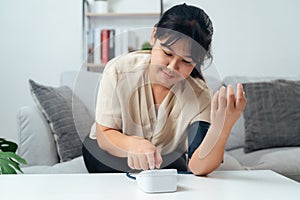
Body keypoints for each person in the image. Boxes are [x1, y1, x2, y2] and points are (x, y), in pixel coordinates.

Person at [82, 3, 247, 175]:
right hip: (108, 154)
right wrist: (134, 145)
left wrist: (223, 126)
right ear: (154, 35)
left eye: (186, 62)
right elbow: (104, 135)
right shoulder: (118, 70)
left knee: (173, 166)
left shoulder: (199, 95)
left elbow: (198, 167)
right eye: (167, 53)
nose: (172, 67)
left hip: (161, 159)